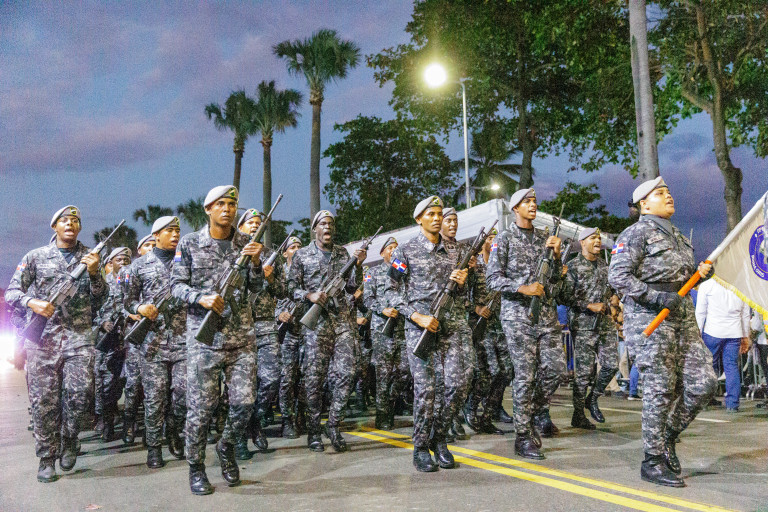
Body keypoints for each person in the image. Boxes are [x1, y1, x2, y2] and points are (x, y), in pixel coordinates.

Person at [609, 176, 717, 488]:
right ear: (644, 204)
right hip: (650, 319)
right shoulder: (635, 233)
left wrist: (700, 276)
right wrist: (656, 297)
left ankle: (668, 434)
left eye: (668, 192)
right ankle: (652, 460)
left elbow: (682, 277)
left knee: (705, 383)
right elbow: (618, 276)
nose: (668, 196)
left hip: (682, 318)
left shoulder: (679, 235)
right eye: (660, 193)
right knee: (659, 390)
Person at [171, 185, 264, 495]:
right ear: (208, 209)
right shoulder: (190, 243)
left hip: (241, 338)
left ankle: (227, 446)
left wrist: (255, 263)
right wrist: (201, 298)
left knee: (245, 404)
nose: (227, 209)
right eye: (221, 204)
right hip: (205, 340)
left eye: (232, 204)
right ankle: (196, 467)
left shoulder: (246, 243)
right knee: (201, 409)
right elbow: (176, 286)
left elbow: (256, 288)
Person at [5, 206, 106, 482]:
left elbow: (102, 298)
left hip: (79, 337)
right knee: (43, 402)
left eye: (75, 221)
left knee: (80, 394)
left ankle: (70, 438)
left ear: (80, 227)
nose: (70, 224)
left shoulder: (91, 257)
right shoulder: (35, 257)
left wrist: (95, 274)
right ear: (55, 227)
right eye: (64, 220)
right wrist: (32, 302)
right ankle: (46, 458)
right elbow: (12, 292)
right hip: (43, 340)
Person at [384, 196, 469, 472]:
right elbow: (390, 290)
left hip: (451, 325)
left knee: (458, 384)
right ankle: (421, 446)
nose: (436, 218)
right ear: (419, 219)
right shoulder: (405, 252)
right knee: (426, 390)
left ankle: (439, 437)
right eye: (430, 214)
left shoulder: (457, 251)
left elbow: (463, 295)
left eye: (439, 214)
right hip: (420, 328)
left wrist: (463, 283)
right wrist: (415, 315)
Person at [486, 188, 565, 460]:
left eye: (534, 201)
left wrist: (557, 257)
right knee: (525, 375)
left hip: (546, 315)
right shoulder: (504, 239)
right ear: (515, 209)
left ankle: (534, 412)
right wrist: (522, 288)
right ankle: (522, 436)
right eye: (526, 202)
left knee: (556, 369)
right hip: (517, 316)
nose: (533, 205)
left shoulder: (546, 238)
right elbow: (492, 279)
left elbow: (556, 282)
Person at [287, 210, 366, 453]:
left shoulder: (343, 254)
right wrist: (308, 295)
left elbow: (352, 287)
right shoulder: (301, 255)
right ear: (315, 229)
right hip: (317, 324)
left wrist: (358, 265)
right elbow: (290, 287)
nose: (327, 227)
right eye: (323, 224)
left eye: (331, 223)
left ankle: (333, 424)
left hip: (342, 321)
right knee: (314, 379)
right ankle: (313, 430)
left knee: (348, 372)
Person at [125, 216, 187, 468]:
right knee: (154, 398)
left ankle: (173, 428)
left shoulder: (187, 261)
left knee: (184, 394)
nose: (175, 235)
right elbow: (127, 300)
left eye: (177, 231)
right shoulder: (139, 266)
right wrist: (140, 308)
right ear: (156, 236)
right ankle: (153, 446)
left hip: (184, 339)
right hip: (153, 342)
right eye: (169, 231)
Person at [560, 227, 619, 430]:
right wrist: (588, 305)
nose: (597, 241)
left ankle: (592, 398)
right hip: (583, 324)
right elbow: (564, 296)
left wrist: (614, 301)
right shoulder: (572, 266)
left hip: (604, 322)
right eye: (593, 238)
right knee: (584, 373)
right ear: (582, 242)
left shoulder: (604, 266)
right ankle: (578, 415)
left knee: (611, 364)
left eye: (599, 238)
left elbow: (612, 290)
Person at [236, 208, 283, 456]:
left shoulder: (272, 255)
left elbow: (283, 292)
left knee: (271, 378)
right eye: (249, 222)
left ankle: (255, 418)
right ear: (240, 227)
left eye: (258, 222)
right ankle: (240, 437)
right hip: (239, 326)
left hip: (265, 324)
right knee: (243, 387)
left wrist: (271, 278)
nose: (254, 225)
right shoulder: (231, 251)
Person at [465, 228, 508, 436]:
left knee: (507, 370)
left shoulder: (502, 267)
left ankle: (489, 414)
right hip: (480, 326)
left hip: (500, 325)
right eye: (490, 238)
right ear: (483, 243)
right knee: (488, 372)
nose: (494, 241)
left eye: (496, 238)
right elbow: (460, 296)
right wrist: (476, 309)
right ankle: (471, 407)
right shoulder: (475, 266)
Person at [364, 237, 409, 430]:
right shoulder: (371, 273)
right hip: (382, 329)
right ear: (382, 252)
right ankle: (382, 415)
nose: (393, 250)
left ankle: (390, 404)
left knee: (405, 371)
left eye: (396, 248)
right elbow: (367, 299)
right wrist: (382, 309)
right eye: (389, 248)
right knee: (383, 374)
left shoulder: (404, 271)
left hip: (403, 328)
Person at [93, 247, 132, 442]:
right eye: (119, 259)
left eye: (126, 260)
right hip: (109, 342)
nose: (123, 263)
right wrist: (102, 323)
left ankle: (129, 425)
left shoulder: (133, 281)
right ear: (111, 262)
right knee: (108, 385)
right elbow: (90, 310)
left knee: (132, 384)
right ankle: (107, 422)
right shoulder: (103, 285)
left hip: (130, 340)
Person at [695, 278, 751, 412]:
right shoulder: (740, 285)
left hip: (712, 332)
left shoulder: (707, 285)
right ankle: (732, 404)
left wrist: (697, 331)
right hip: (734, 333)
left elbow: (700, 312)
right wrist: (745, 336)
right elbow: (745, 314)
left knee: (709, 366)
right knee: (731, 367)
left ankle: (706, 400)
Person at [121, 235, 155, 445]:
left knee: (157, 387)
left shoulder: (169, 267)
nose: (151, 248)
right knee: (134, 384)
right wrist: (130, 313)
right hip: (136, 334)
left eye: (153, 244)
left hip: (157, 335)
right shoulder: (128, 271)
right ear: (139, 250)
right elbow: (119, 299)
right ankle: (129, 420)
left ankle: (154, 429)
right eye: (146, 245)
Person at [276, 236, 305, 439]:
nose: (296, 249)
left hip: (307, 331)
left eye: (299, 246)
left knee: (307, 378)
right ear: (285, 253)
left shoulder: (308, 271)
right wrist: (278, 314)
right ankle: (287, 419)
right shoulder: (278, 274)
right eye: (292, 247)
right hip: (287, 333)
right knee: (287, 379)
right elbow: (266, 300)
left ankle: (301, 415)